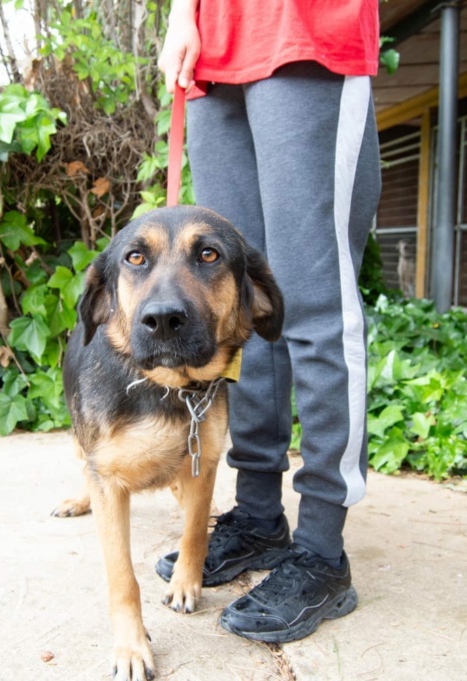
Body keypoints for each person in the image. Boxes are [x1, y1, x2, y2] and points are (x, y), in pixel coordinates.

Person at [155, 0, 382, 644]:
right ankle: (257, 515)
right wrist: (182, 16)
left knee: (313, 306)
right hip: (216, 53)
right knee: (237, 307)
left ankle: (321, 550)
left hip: (310, 33)